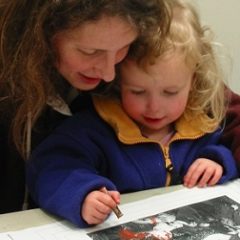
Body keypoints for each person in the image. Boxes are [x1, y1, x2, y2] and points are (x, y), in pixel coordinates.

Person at [26, 0, 238, 228]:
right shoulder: (92, 128)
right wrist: (83, 193)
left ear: (193, 83)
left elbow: (222, 145)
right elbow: (52, 167)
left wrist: (217, 160)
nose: (154, 107)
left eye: (170, 92)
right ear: (117, 83)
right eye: (137, 92)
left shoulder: (203, 122)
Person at [0, 0, 170, 213]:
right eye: (89, 52)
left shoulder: (139, 50)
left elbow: (211, 105)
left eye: (124, 48)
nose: (109, 73)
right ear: (41, 34)